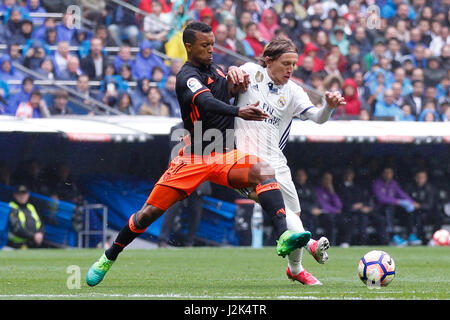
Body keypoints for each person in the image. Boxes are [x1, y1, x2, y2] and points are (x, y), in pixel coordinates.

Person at [86, 22, 312, 287]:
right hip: (193, 158)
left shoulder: (216, 69)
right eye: (205, 46)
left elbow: (230, 88)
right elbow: (205, 102)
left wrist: (236, 76)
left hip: (225, 153)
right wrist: (239, 112)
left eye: (212, 44)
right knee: (147, 214)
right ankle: (109, 256)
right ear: (189, 46)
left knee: (263, 170)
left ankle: (283, 234)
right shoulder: (186, 77)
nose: (210, 50)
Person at [232, 38, 346, 285]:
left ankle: (295, 269)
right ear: (268, 61)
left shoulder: (294, 91)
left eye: (294, 64)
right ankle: (312, 243)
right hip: (246, 162)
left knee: (294, 215)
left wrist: (328, 106)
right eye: (286, 63)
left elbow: (317, 118)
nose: (291, 69)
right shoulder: (251, 72)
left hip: (277, 162)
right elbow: (229, 81)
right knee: (282, 212)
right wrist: (231, 72)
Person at [372, 166, 418, 246]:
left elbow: (401, 194)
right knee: (389, 208)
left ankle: (411, 234)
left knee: (409, 210)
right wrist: (397, 201)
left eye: (390, 173)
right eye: (386, 173)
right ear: (382, 174)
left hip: (393, 209)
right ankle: (392, 235)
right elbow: (381, 199)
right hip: (379, 210)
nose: (388, 175)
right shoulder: (377, 184)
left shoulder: (393, 183)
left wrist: (411, 202)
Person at [336, 167, 372, 247]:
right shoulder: (340, 187)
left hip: (358, 211)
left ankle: (363, 242)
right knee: (351, 220)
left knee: (364, 218)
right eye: (347, 174)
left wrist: (363, 205)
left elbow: (363, 199)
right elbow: (339, 202)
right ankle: (346, 241)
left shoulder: (357, 187)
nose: (349, 176)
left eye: (350, 174)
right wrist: (351, 206)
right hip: (346, 212)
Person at [7, 185, 45, 249]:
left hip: (32, 243)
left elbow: (40, 222)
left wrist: (40, 233)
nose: (22, 196)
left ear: (28, 195)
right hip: (14, 245)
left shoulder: (31, 207)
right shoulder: (11, 207)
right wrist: (33, 236)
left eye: (24, 194)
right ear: (15, 195)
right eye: (19, 194)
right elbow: (16, 228)